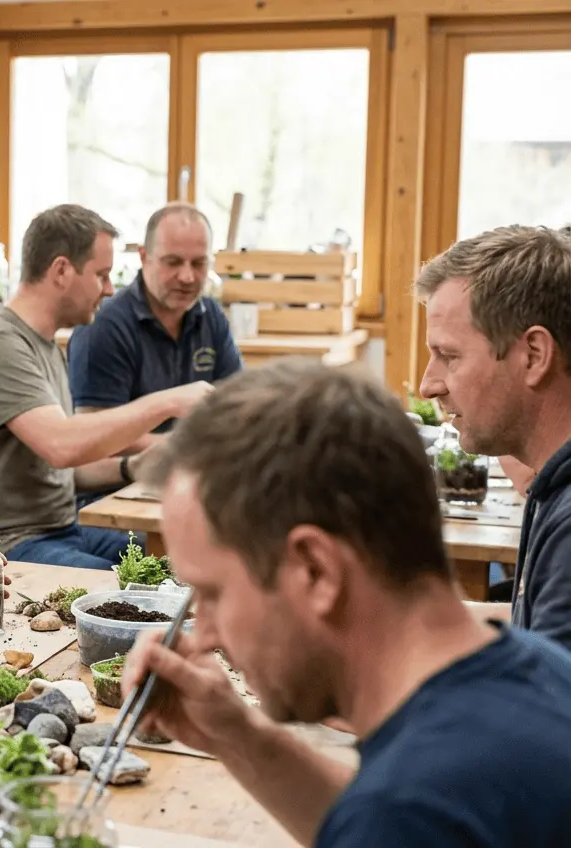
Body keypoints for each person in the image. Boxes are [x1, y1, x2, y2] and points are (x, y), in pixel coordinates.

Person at [122, 359, 571, 847]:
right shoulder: (544, 670)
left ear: (316, 570)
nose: (203, 633)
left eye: (211, 594)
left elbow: (394, 819)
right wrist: (237, 735)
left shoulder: (411, 812)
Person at [0, 204, 212, 569]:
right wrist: (169, 402)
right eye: (102, 275)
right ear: (61, 270)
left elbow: (58, 472)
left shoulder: (44, 344)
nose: (110, 289)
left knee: (182, 561)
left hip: (58, 529)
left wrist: (132, 466)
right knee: (138, 591)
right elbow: (61, 445)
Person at [416, 225, 571, 646]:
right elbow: (531, 630)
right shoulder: (552, 486)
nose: (428, 386)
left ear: (534, 356)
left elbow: (542, 709)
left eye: (449, 357)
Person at [67, 202, 242, 505]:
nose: (187, 277)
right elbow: (93, 436)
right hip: (110, 499)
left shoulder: (211, 316)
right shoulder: (103, 327)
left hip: (190, 485)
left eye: (199, 263)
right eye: (173, 262)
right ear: (144, 257)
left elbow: (237, 409)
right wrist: (184, 448)